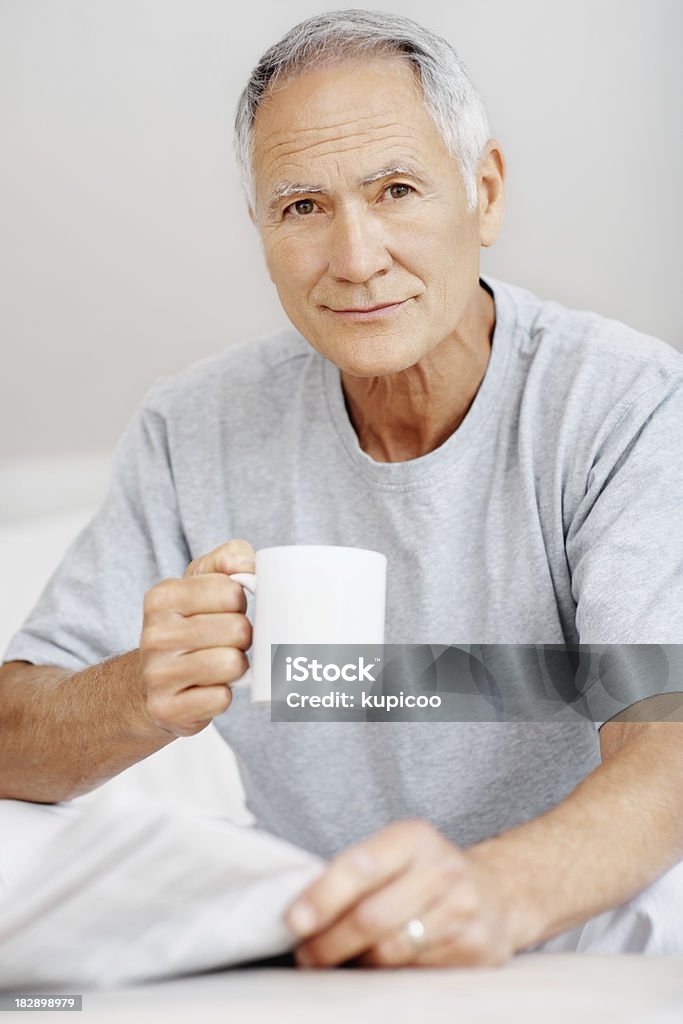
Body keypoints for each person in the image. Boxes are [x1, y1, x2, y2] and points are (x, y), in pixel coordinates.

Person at [1, 10, 682, 968]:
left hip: (566, 907)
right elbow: (11, 736)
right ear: (262, 229)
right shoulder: (193, 425)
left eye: (395, 189)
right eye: (302, 208)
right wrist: (138, 694)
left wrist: (488, 892)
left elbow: (668, 748)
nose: (355, 259)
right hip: (310, 915)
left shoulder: (624, 400)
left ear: (482, 193)